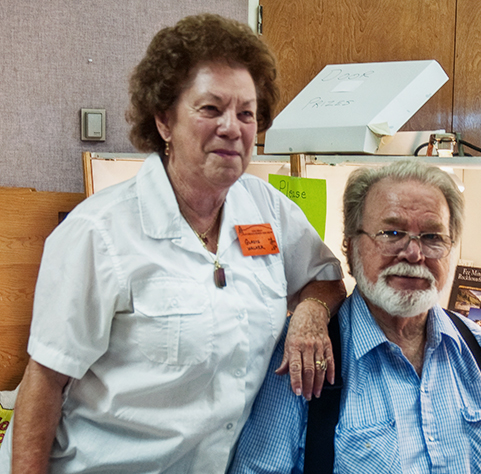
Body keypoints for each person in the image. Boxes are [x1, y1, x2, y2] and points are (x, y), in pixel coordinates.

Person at [0, 13, 345, 474]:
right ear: (163, 120)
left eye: (247, 112)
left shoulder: (266, 207)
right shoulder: (99, 233)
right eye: (210, 109)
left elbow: (325, 280)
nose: (232, 127)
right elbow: (42, 382)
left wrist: (309, 313)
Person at [230, 160, 481, 473]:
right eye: (392, 233)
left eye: (433, 237)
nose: (414, 254)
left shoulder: (480, 354)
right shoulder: (307, 354)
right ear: (351, 247)